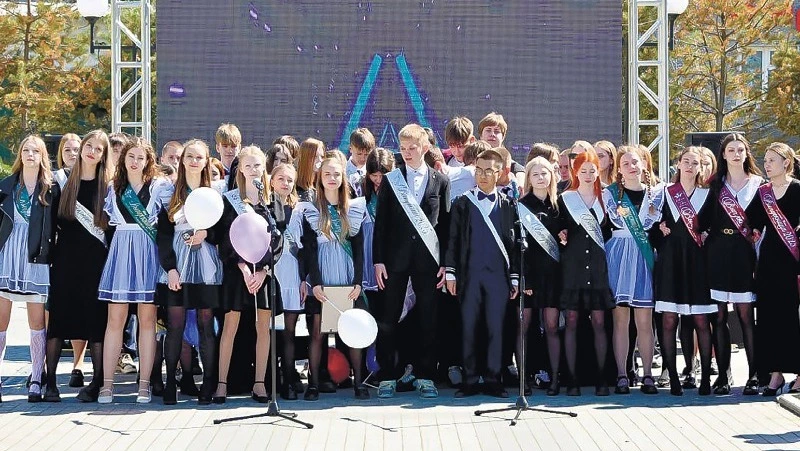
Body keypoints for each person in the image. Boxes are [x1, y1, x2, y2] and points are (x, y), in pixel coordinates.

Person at [373, 124, 450, 399]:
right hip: (395, 260)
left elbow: (445, 225)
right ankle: (387, 376)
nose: (407, 153)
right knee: (389, 317)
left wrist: (446, 263)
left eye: (412, 148)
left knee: (429, 318)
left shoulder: (441, 181)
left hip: (429, 261)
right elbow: (381, 224)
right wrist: (378, 261)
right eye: (403, 148)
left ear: (425, 147)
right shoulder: (391, 180)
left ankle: (426, 375)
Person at [96, 137, 172, 404]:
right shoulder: (113, 187)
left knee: (147, 321)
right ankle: (107, 385)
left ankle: (144, 385)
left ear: (149, 161)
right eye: (131, 156)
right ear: (124, 159)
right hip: (121, 253)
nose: (135, 162)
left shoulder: (159, 187)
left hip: (148, 254)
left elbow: (174, 216)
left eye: (141, 157)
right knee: (114, 320)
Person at [290, 156, 369, 400]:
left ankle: (359, 383)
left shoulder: (353, 208)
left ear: (343, 177)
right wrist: (315, 283)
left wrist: (358, 281)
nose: (332, 178)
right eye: (327, 174)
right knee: (317, 332)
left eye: (336, 174)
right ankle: (313, 384)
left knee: (352, 330)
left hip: (347, 277)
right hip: (322, 277)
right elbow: (309, 249)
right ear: (320, 178)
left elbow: (358, 247)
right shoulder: (311, 210)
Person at [445, 149, 519, 398]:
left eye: (489, 171)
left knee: (495, 328)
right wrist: (451, 272)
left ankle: (493, 379)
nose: (483, 175)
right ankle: (469, 380)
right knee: (469, 327)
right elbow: (453, 239)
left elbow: (514, 243)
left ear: (500, 173)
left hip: (498, 276)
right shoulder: (463, 203)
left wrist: (515, 276)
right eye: (478, 170)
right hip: (470, 275)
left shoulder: (508, 205)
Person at [44, 129, 112, 403]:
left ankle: (96, 384)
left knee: (96, 323)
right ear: (82, 148)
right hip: (65, 263)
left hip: (96, 264)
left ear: (104, 155)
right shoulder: (62, 183)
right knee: (58, 321)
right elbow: (50, 225)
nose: (92, 151)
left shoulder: (108, 188)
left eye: (99, 148)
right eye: (89, 145)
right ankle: (50, 383)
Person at [156, 139, 223, 405]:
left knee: (206, 324)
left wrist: (208, 234)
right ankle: (171, 383)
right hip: (178, 268)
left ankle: (208, 384)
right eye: (190, 156)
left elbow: (223, 232)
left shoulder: (215, 193)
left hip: (206, 267)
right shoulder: (169, 193)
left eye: (199, 157)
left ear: (207, 162)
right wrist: (170, 268)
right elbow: (163, 236)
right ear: (182, 160)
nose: (194, 161)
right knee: (175, 326)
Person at [214, 146, 281, 404]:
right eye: (248, 166)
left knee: (263, 328)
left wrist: (263, 271)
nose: (253, 170)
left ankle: (260, 384)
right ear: (240, 169)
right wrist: (243, 268)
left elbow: (277, 241)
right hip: (237, 274)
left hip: (262, 275)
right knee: (230, 327)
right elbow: (225, 240)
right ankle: (221, 383)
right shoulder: (230, 200)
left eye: (258, 165)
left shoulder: (271, 201)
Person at [651, 147, 716, 396]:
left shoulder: (707, 194)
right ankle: (673, 378)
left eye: (695, 163)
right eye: (686, 161)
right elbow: (651, 226)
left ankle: (705, 378)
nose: (690, 166)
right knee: (669, 319)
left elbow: (713, 226)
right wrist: (659, 228)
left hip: (698, 263)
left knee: (701, 320)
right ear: (678, 164)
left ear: (701, 167)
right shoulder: (664, 193)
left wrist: (708, 234)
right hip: (670, 261)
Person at [0, 136, 60, 403]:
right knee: (1, 321)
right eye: (25, 150)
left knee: (36, 322)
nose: (30, 154)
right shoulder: (5, 186)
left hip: (36, 256)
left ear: (43, 155)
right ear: (20, 154)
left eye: (35, 150)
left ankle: (36, 378)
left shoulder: (51, 188)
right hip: (7, 255)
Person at [704, 133, 763, 395]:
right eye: (731, 150)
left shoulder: (759, 185)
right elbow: (704, 219)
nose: (736, 154)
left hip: (744, 254)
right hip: (717, 252)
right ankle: (723, 375)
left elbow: (764, 219)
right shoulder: (715, 185)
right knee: (718, 317)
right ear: (724, 154)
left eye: (741, 149)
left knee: (746, 316)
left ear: (747, 153)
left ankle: (754, 375)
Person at [603, 145, 664, 395]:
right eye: (626, 163)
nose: (631, 167)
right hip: (618, 256)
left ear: (644, 164)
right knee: (620, 320)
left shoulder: (657, 194)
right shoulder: (610, 194)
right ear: (619, 168)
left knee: (645, 321)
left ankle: (648, 374)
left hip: (644, 256)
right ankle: (622, 374)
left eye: (635, 162)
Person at [557, 149, 615, 396]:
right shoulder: (565, 199)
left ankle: (602, 378)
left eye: (593, 170)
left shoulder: (607, 199)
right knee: (571, 321)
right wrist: (561, 233)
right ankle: (572, 379)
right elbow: (558, 227)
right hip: (574, 269)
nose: (589, 175)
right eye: (584, 171)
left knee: (600, 322)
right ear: (575, 172)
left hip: (599, 270)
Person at [746, 142, 800, 396]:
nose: (766, 165)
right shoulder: (763, 192)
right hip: (769, 260)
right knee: (769, 316)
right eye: (765, 160)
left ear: (786, 163)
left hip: (793, 258)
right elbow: (752, 220)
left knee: (792, 317)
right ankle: (775, 373)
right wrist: (755, 229)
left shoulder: (798, 189)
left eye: (772, 160)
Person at [519, 157, 563, 395]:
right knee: (523, 327)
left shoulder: (559, 206)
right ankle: (523, 380)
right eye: (535, 174)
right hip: (529, 275)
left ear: (551, 176)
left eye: (544, 173)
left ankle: (555, 378)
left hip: (553, 275)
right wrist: (523, 277)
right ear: (528, 178)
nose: (540, 178)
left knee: (552, 326)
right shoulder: (520, 205)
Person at [52, 133, 88, 388]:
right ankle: (46, 368)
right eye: (68, 150)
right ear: (61, 154)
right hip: (61, 250)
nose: (73, 154)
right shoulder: (54, 180)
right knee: (57, 310)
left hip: (87, 252)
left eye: (77, 149)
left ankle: (79, 363)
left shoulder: (93, 178)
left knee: (82, 308)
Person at [269, 164, 306, 400]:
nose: (285, 183)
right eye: (281, 178)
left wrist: (304, 279)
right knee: (272, 331)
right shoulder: (263, 209)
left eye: (290, 180)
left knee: (290, 331)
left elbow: (305, 248)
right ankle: (273, 379)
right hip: (272, 273)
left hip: (292, 274)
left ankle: (290, 376)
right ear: (271, 181)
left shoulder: (299, 210)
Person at [295, 138, 325, 202]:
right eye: (315, 156)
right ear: (305, 158)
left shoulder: (323, 183)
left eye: (322, 157)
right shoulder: (293, 183)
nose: (320, 160)